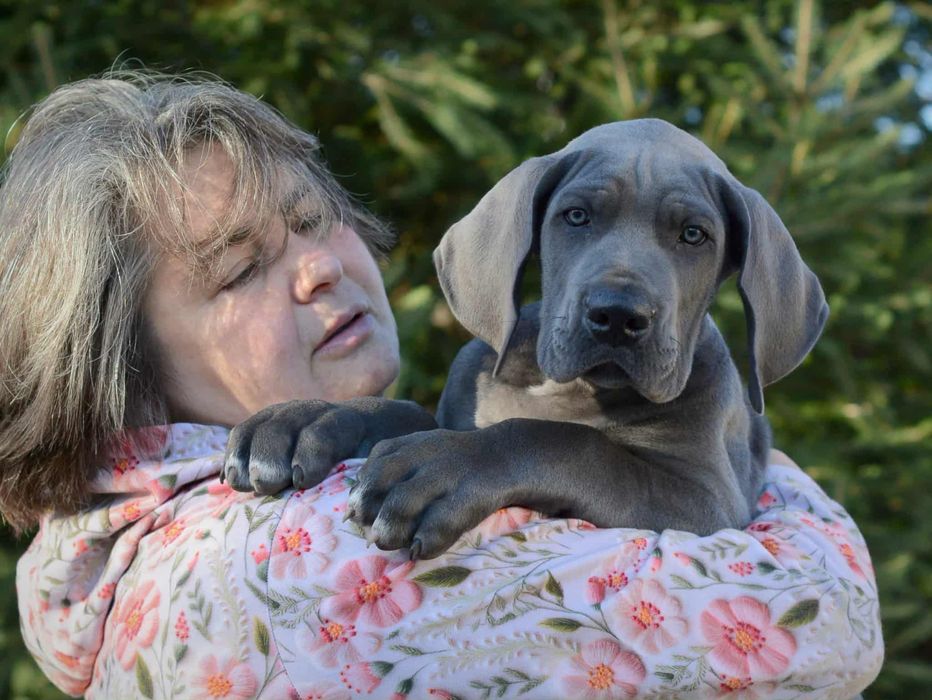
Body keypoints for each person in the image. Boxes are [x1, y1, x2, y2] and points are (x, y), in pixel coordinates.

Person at [2, 71, 882, 699]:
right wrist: (803, 512)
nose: (316, 266)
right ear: (118, 365)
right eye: (236, 271)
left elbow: (475, 464)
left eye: (314, 219)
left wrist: (370, 426)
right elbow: (812, 618)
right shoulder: (261, 575)